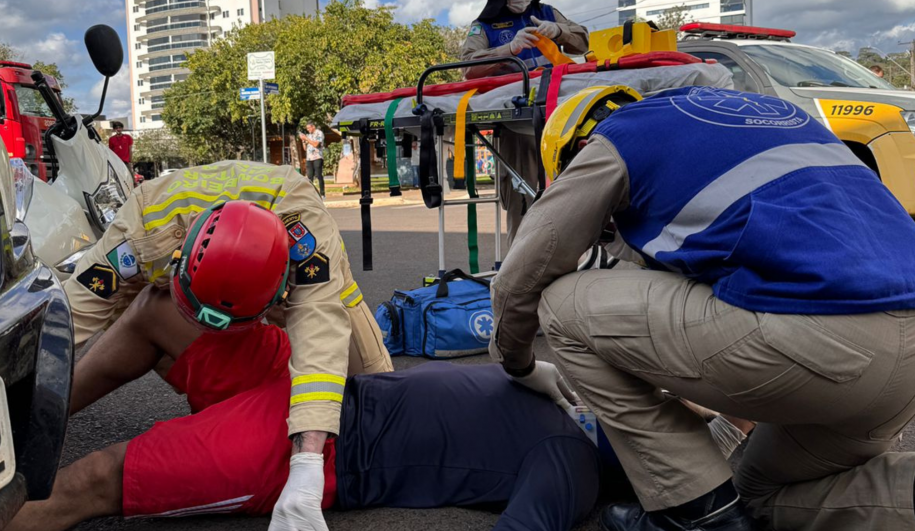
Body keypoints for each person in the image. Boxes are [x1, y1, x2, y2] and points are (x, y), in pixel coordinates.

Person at [490, 85, 915, 531]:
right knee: (759, 496)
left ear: (578, 148)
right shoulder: (774, 118)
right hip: (901, 367)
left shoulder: (618, 138)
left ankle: (696, 513)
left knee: (561, 305)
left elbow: (527, 270)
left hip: (822, 336)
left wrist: (517, 363)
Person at [7, 336, 752, 531]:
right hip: (319, 381)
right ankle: (18, 425)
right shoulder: (575, 403)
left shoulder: (569, 462)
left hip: (313, 449)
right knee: (162, 312)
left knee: (92, 479)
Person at [58, 161, 393, 530]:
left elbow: (320, 339)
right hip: (188, 277)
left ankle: (256, 421)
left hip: (330, 319)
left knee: (372, 411)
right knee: (148, 309)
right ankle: (43, 419)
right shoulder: (140, 229)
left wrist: (307, 464)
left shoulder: (303, 227)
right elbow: (67, 318)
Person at [460, 0, 589, 246]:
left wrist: (558, 32)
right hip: (517, 125)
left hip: (560, 115)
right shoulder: (483, 26)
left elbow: (583, 43)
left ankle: (565, 270)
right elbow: (468, 68)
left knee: (572, 198)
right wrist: (509, 49)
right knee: (524, 200)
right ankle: (518, 275)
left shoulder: (548, 14)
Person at [301, 122, 327, 199]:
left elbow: (316, 144)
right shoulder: (309, 135)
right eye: (307, 128)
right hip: (309, 158)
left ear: (313, 127)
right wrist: (303, 140)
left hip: (317, 157)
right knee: (309, 177)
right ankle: (311, 195)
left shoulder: (319, 133)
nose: (308, 130)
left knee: (318, 175)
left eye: (309, 128)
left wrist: (307, 139)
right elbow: (305, 148)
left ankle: (322, 193)